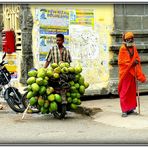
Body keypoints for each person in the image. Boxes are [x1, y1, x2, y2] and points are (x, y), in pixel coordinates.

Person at [118, 32, 147, 117]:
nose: (130, 40)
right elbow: (122, 62)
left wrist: (136, 61)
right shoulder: (122, 48)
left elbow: (137, 57)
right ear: (125, 40)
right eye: (128, 39)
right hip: (125, 74)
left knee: (131, 91)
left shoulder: (134, 48)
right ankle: (124, 110)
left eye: (132, 38)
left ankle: (130, 109)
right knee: (124, 92)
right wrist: (132, 63)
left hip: (132, 73)